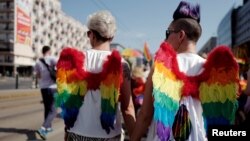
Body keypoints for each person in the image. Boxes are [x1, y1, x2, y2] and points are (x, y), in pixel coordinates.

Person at [131, 1, 239, 141]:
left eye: (168, 32)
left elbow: (145, 116)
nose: (166, 38)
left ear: (181, 35)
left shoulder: (160, 68)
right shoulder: (215, 72)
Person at [56, 10, 136, 141]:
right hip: (108, 136)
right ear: (112, 37)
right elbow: (128, 109)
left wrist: (67, 132)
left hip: (76, 133)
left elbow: (68, 102)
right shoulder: (121, 65)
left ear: (91, 34)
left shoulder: (74, 61)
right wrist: (135, 137)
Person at [34, 46, 58, 140]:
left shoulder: (37, 62)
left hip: (43, 88)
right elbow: (61, 65)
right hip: (52, 87)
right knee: (54, 110)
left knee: (47, 108)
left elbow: (38, 76)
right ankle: (43, 128)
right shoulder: (52, 59)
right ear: (49, 51)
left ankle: (48, 127)